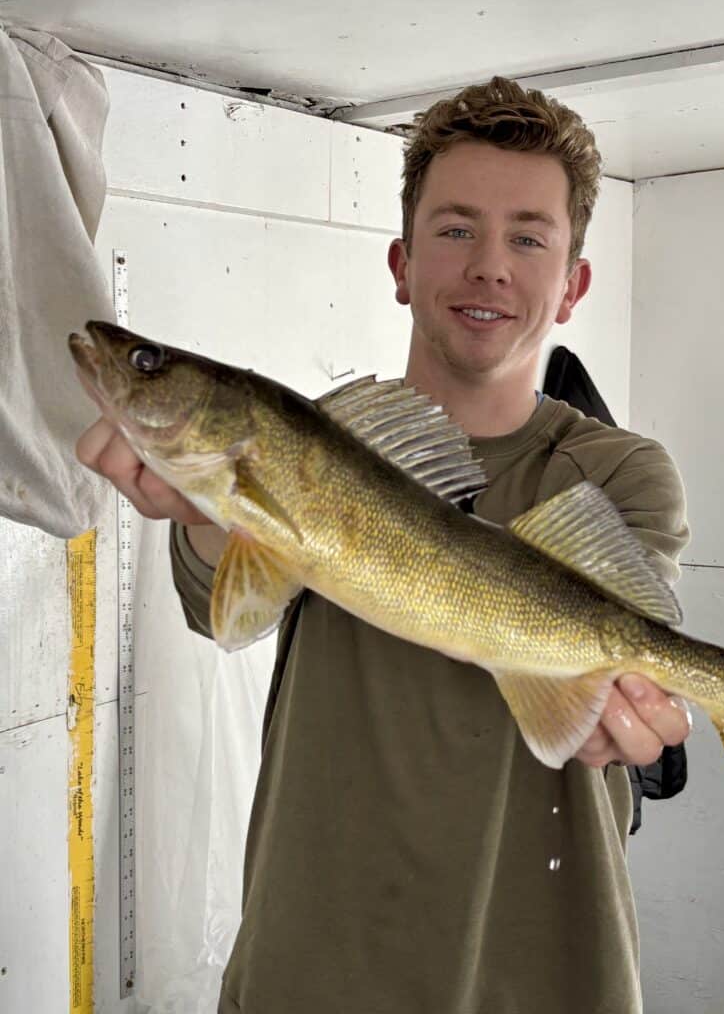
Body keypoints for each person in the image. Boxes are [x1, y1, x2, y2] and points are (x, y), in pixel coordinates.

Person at [77, 76, 691, 1014]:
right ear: (401, 264)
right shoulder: (312, 446)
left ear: (571, 287)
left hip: (545, 967)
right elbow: (221, 610)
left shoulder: (615, 471)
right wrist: (200, 506)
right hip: (312, 961)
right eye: (454, 229)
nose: (489, 264)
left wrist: (636, 714)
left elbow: (638, 664)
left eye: (528, 237)